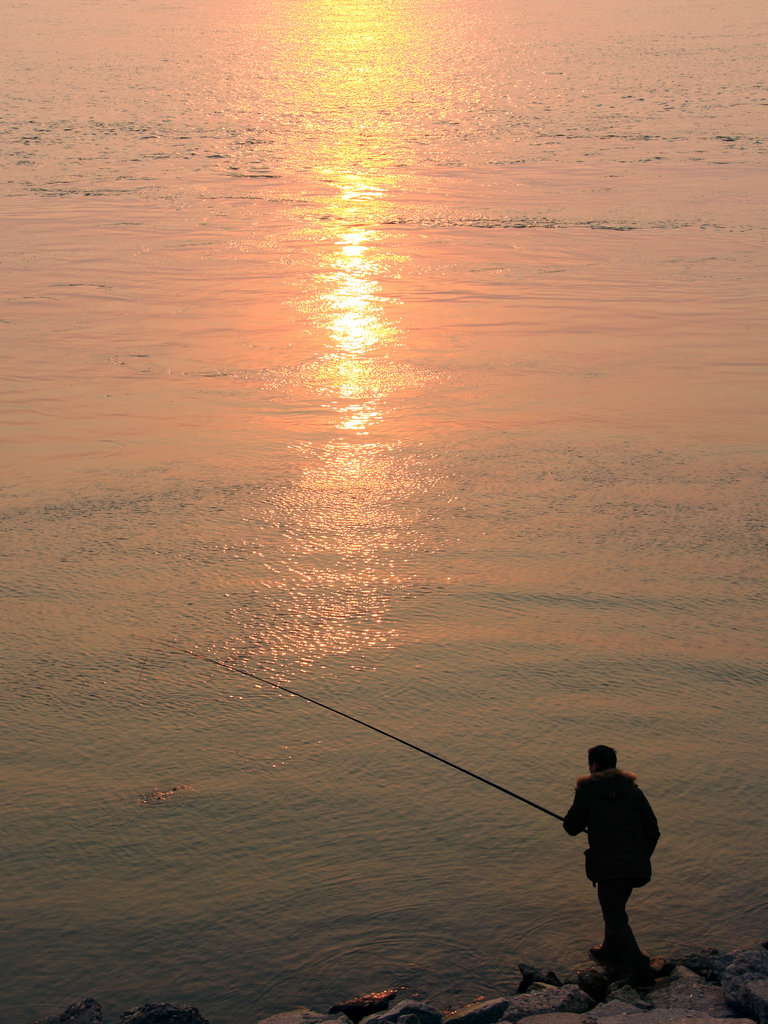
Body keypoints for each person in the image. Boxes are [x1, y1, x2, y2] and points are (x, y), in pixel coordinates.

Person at [563, 744, 660, 989]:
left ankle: (641, 972)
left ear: (593, 765)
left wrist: (578, 797)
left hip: (607, 865)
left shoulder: (588, 791)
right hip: (635, 865)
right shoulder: (633, 791)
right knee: (615, 906)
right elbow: (654, 832)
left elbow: (571, 827)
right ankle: (610, 950)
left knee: (615, 915)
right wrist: (641, 856)